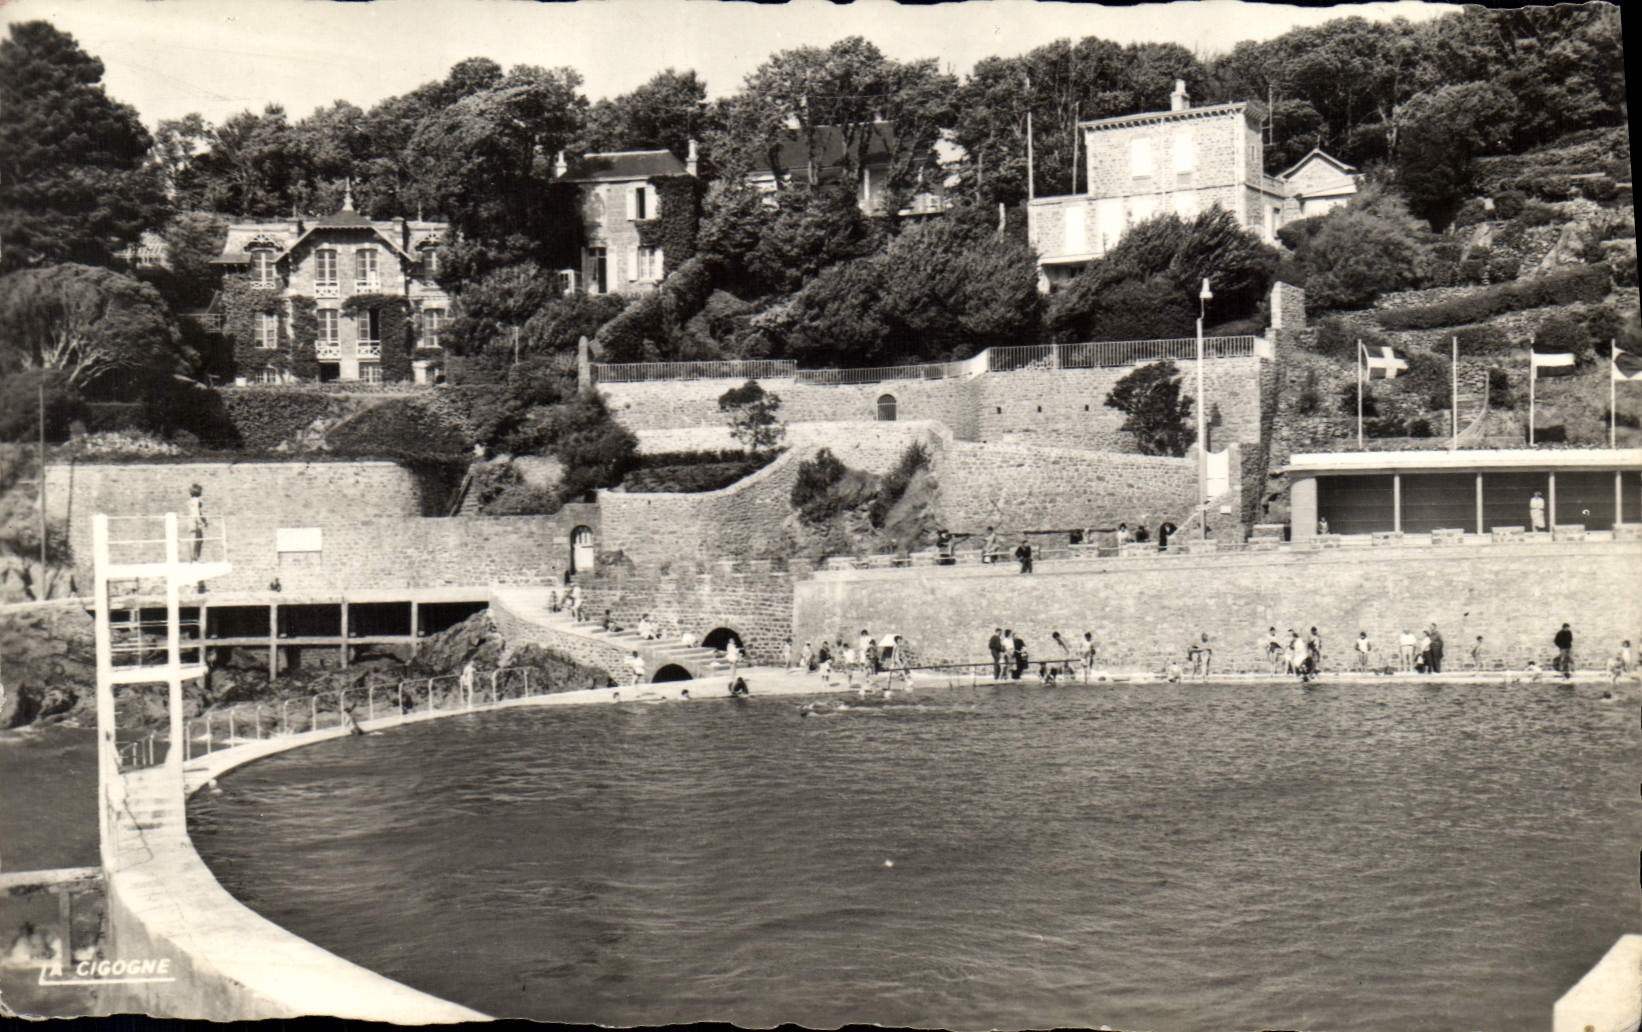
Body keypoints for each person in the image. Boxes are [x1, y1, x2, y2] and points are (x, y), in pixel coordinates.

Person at [187, 484, 207, 562]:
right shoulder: (196, 501)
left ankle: (194, 558)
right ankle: (194, 559)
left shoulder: (191, 501)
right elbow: (196, 512)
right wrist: (200, 521)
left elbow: (198, 512)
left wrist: (204, 520)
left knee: (197, 540)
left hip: (192, 521)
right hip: (194, 522)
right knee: (196, 540)